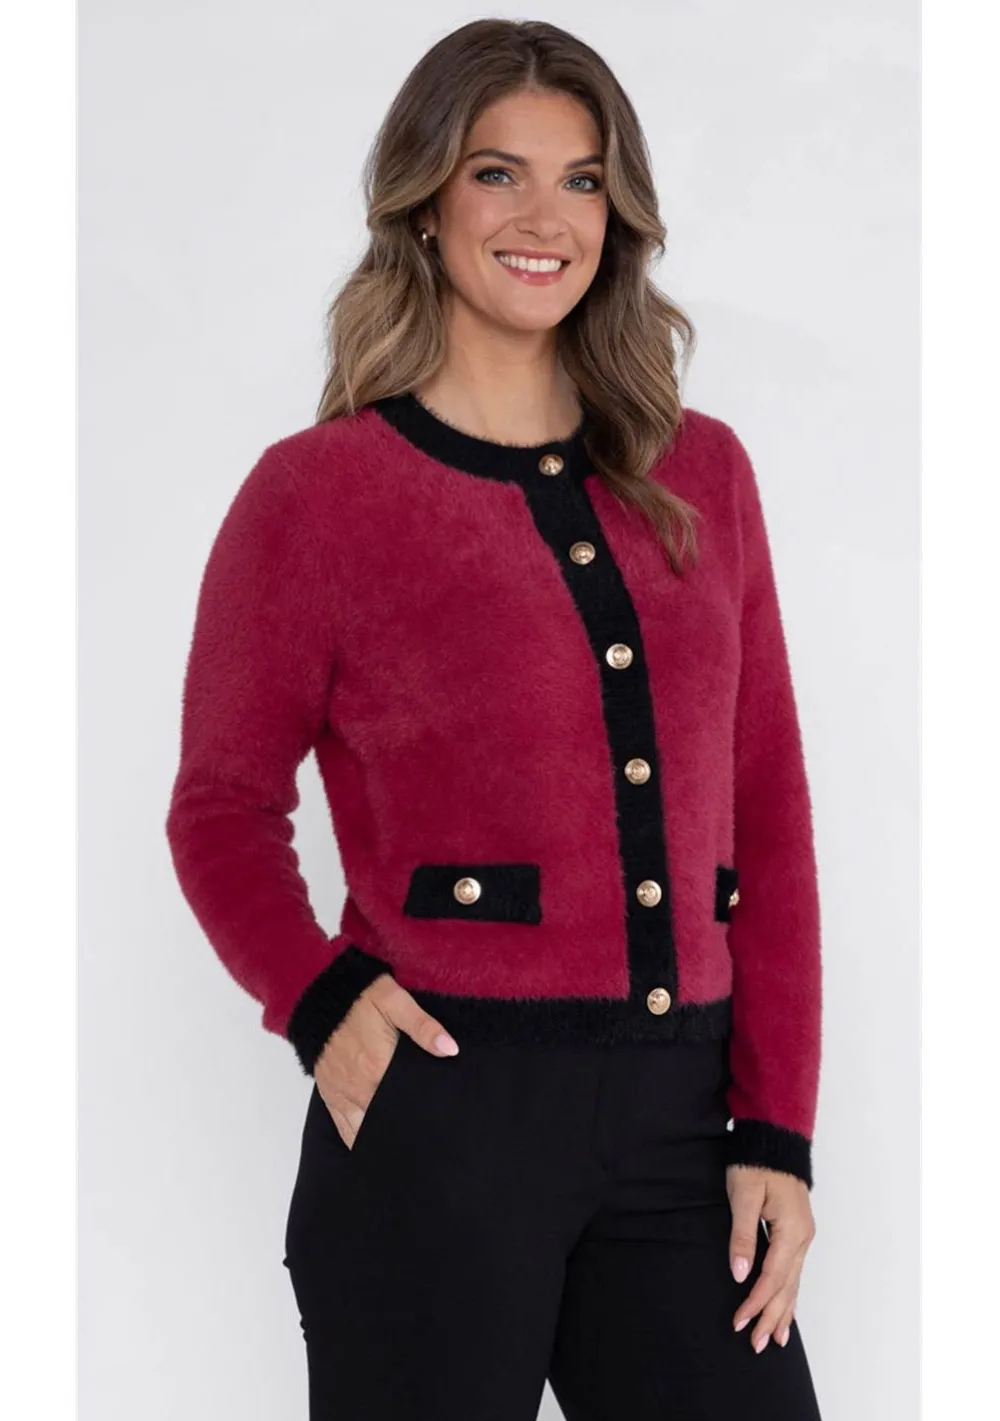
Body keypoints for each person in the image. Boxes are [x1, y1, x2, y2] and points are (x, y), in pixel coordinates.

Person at [165, 17, 824, 1420]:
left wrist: (776, 1125)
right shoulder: (316, 496)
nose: (545, 218)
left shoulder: (703, 474)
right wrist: (320, 999)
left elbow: (766, 808)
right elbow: (220, 805)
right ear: (425, 204)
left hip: (683, 1125)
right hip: (441, 1124)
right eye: (497, 174)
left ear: (618, 213)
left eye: (582, 180)